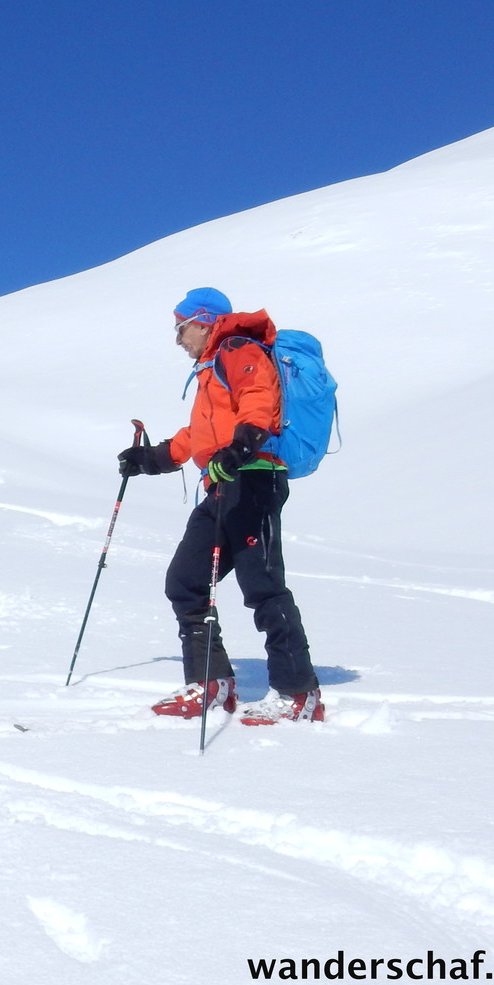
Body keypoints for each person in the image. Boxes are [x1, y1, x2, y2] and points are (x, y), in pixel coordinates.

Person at [117, 288, 323, 725]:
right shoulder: (211, 369)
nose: (178, 339)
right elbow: (199, 435)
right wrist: (150, 459)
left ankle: (298, 693)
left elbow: (259, 396)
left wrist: (244, 443)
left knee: (262, 585)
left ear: (205, 320)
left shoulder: (237, 348)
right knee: (186, 581)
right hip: (222, 482)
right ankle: (211, 682)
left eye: (181, 328)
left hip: (254, 478)